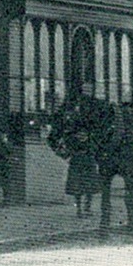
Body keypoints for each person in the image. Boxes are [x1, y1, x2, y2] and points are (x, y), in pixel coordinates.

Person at [50, 80, 109, 218]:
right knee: (78, 186)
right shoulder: (72, 107)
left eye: (89, 90)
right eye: (85, 90)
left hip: (88, 154)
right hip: (78, 155)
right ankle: (79, 209)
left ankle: (87, 208)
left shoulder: (94, 107)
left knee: (89, 185)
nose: (87, 92)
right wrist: (68, 150)